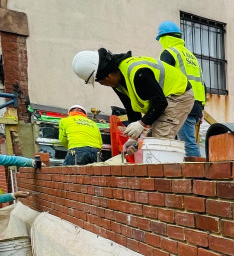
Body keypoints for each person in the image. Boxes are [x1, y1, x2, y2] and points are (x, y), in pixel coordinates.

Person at [72, 48, 194, 156]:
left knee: (159, 139)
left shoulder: (138, 73)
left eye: (101, 82)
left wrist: (141, 124)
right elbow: (131, 108)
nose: (103, 85)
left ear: (108, 76)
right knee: (150, 140)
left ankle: (167, 172)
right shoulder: (118, 81)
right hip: (163, 98)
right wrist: (133, 139)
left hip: (179, 94)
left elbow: (161, 103)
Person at [156, 21, 206, 159]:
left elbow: (164, 79)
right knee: (181, 143)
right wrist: (201, 108)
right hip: (196, 104)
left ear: (164, 38)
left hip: (181, 104)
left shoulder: (169, 53)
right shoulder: (191, 56)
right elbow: (202, 83)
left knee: (186, 143)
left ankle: (198, 170)